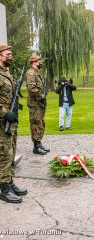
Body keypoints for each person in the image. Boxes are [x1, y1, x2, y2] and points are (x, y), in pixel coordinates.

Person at [0, 43, 27, 203]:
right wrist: (4, 112)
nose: (11, 57)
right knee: (4, 154)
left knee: (12, 150)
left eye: (11, 54)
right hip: (2, 121)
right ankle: (3, 188)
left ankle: (9, 181)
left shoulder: (7, 72)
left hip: (11, 119)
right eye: (8, 54)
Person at [26, 54, 49, 155]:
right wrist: (41, 96)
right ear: (33, 62)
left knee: (40, 123)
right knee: (36, 123)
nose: (41, 62)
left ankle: (39, 143)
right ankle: (36, 146)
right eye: (39, 60)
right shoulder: (31, 73)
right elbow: (32, 89)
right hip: (35, 103)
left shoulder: (37, 73)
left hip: (39, 103)